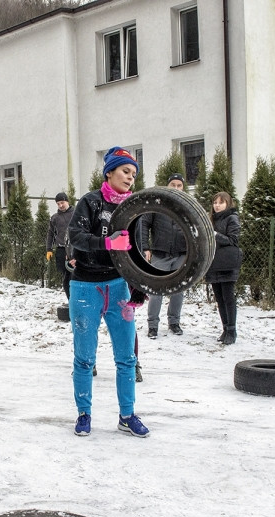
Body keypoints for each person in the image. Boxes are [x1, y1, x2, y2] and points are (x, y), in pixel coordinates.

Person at [67, 146, 148, 438]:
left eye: (134, 174)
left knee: (127, 357)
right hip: (85, 287)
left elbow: (136, 252)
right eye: (125, 171)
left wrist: (138, 287)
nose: (130, 178)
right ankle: (84, 414)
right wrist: (106, 244)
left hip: (118, 288)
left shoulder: (133, 209)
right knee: (85, 358)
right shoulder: (90, 202)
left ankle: (127, 416)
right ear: (109, 172)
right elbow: (75, 236)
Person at [139, 173, 187, 339]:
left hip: (181, 254)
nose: (175, 188)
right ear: (167, 186)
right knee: (156, 291)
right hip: (160, 253)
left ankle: (174, 322)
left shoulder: (186, 205)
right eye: (172, 184)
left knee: (178, 290)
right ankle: (153, 325)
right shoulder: (158, 203)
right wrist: (145, 247)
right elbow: (144, 224)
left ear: (183, 187)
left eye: (179, 185)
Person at [204, 191, 242, 345]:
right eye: (215, 203)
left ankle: (232, 330)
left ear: (228, 203)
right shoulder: (211, 219)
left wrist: (214, 235)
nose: (217, 205)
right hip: (214, 263)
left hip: (226, 264)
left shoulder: (232, 218)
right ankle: (225, 328)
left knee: (228, 297)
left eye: (221, 202)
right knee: (219, 299)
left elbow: (233, 240)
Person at [46, 192, 73, 300]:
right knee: (66, 277)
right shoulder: (55, 218)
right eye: (58, 204)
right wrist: (49, 249)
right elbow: (50, 234)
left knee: (75, 276)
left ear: (67, 201)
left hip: (75, 249)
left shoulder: (76, 213)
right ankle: (70, 299)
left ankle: (78, 300)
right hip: (61, 249)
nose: (61, 205)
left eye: (62, 202)